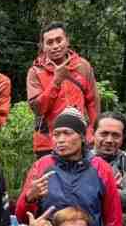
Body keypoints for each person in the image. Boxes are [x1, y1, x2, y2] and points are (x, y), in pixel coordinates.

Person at [16, 109, 123, 226]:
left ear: (82, 137)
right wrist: (29, 199)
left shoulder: (101, 168)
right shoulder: (41, 166)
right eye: (56, 134)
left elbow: (114, 220)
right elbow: (23, 219)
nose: (60, 140)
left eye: (67, 133)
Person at [27, 22, 99, 155]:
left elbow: (93, 102)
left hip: (81, 139)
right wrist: (56, 81)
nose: (55, 46)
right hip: (48, 143)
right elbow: (38, 108)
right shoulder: (35, 71)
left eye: (59, 40)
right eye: (49, 42)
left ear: (67, 41)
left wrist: (93, 132)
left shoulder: (82, 66)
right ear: (43, 46)